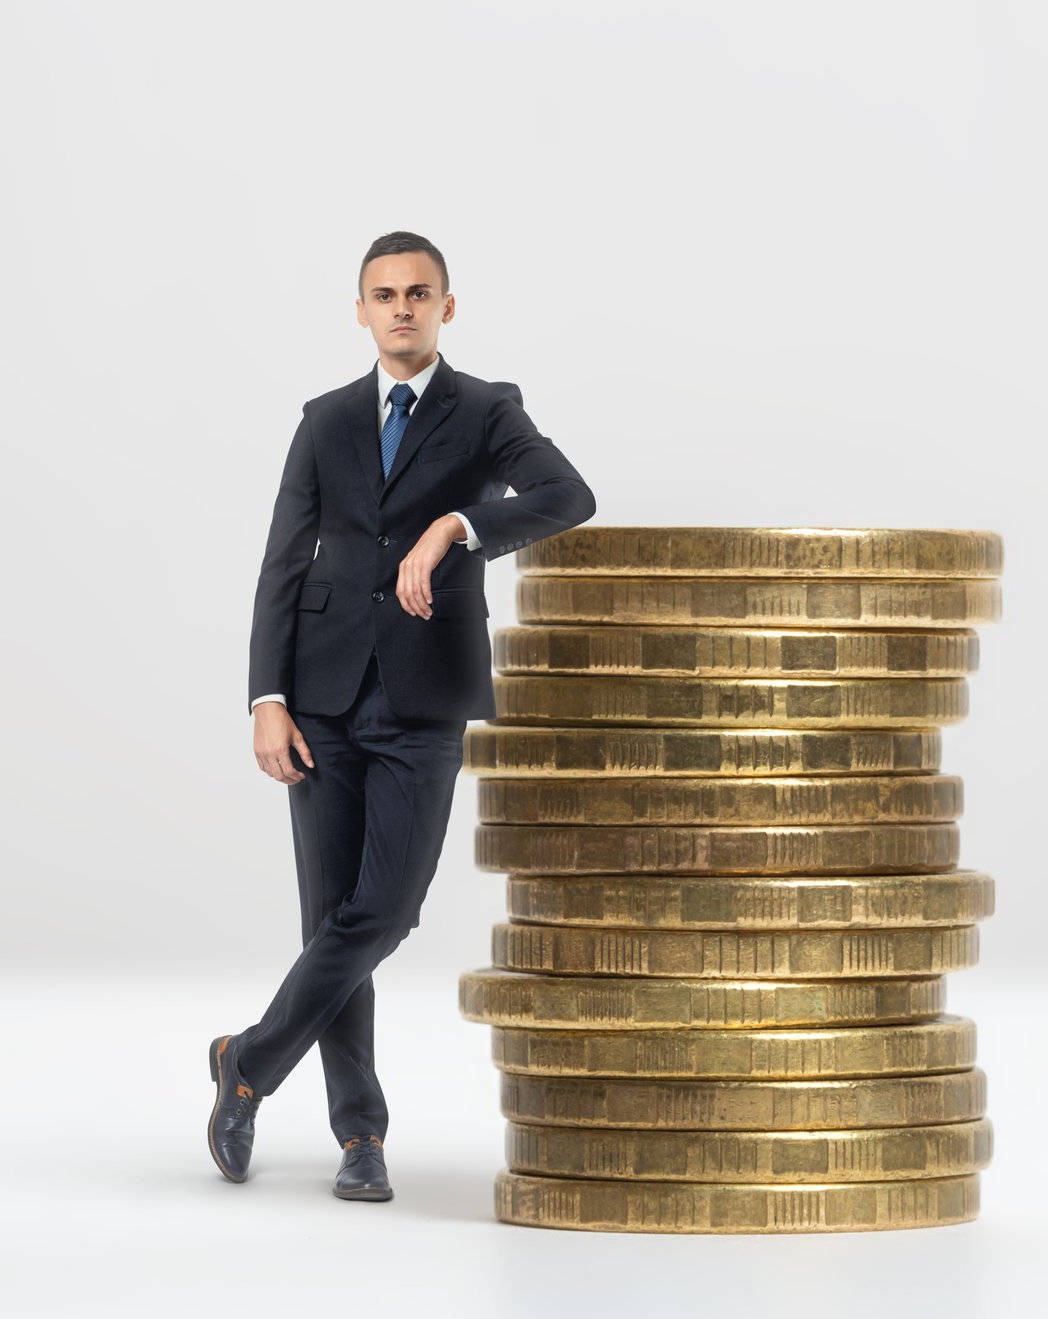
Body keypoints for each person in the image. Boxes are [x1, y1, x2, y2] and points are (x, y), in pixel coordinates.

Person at [211, 231, 597, 1200]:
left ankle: (248, 1060)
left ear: (447, 307)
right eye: (384, 293)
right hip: (320, 699)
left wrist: (458, 525)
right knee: (330, 919)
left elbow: (568, 495)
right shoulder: (325, 420)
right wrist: (266, 698)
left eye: (420, 292)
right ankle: (360, 1137)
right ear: (361, 310)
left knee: (382, 911)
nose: (402, 308)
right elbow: (280, 564)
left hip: (424, 700)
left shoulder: (484, 411)